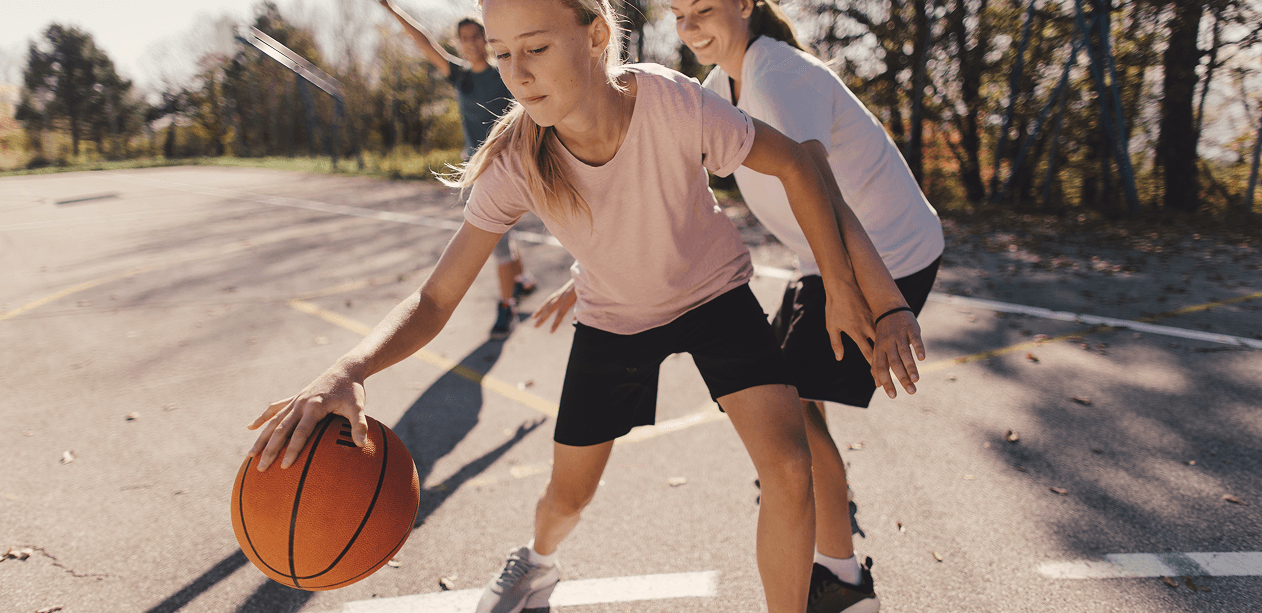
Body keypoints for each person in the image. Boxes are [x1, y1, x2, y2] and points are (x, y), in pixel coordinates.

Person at [247, 0, 923, 611]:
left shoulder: (671, 100)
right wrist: (351, 368)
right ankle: (537, 563)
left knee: (789, 464)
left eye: (535, 48)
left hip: (714, 292)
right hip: (616, 318)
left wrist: (841, 284)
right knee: (568, 495)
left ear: (596, 34)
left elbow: (801, 164)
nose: (516, 72)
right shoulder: (516, 159)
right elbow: (436, 296)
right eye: (503, 52)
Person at [674, 1, 945, 611]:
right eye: (678, 13)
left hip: (886, 257)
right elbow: (671, 178)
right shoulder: (722, 84)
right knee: (793, 401)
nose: (689, 28)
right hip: (822, 259)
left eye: (703, 10)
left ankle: (843, 583)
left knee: (789, 410)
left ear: (744, 5)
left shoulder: (777, 76)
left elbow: (819, 186)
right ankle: (820, 503)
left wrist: (881, 303)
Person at [378, 0, 536, 340]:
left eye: (476, 36)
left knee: (500, 242)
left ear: (486, 37)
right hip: (477, 169)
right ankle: (523, 281)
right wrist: (392, 10)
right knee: (504, 235)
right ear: (459, 43)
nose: (471, 43)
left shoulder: (504, 71)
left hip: (507, 167)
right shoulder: (460, 76)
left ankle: (507, 305)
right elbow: (424, 42)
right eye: (464, 38)